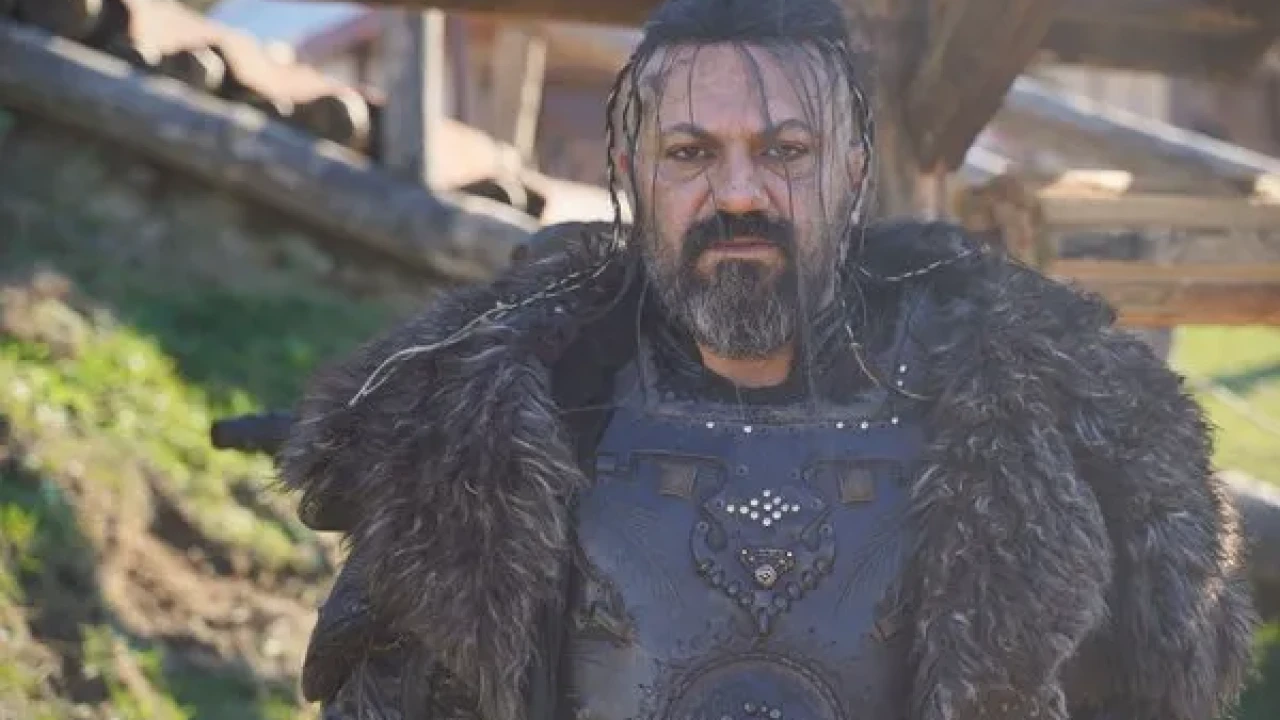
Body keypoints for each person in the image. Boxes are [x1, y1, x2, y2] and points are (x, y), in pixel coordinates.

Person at [278, 0, 1259, 718]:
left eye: (785, 151)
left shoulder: (1041, 434)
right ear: (630, 171)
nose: (739, 193)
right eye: (691, 153)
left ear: (852, 172)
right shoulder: (475, 441)